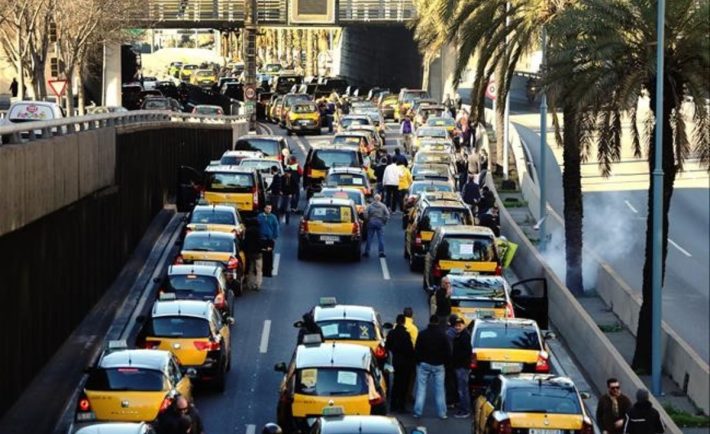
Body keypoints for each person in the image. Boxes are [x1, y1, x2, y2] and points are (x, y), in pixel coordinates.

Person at [413, 315, 452, 419]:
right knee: (440, 390)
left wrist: (419, 361)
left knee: (421, 389)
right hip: (439, 365)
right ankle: (442, 413)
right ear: (438, 322)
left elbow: (417, 349)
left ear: (429, 322)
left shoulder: (422, 334)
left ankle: (418, 412)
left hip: (424, 364)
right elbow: (448, 352)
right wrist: (445, 363)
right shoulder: (443, 335)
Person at [385, 314, 415, 412]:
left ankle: (393, 405)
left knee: (396, 383)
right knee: (404, 384)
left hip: (396, 361)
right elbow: (410, 350)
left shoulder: (391, 333)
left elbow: (387, 346)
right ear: (403, 322)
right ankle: (401, 406)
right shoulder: (406, 334)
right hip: (406, 362)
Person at [451, 316, 472, 418]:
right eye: (456, 326)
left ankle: (465, 410)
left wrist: (458, 360)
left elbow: (466, 352)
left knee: (462, 389)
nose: (457, 327)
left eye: (459, 325)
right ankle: (463, 408)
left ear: (464, 325)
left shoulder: (464, 337)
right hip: (460, 366)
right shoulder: (459, 335)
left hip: (462, 367)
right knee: (461, 389)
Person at [363, 194, 390, 258]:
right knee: (380, 238)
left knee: (369, 237)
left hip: (371, 222)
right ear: (380, 199)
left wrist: (367, 220)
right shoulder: (383, 206)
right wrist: (384, 221)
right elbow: (387, 214)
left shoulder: (370, 206)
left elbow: (365, 213)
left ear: (374, 199)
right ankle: (381, 252)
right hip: (380, 222)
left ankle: (367, 251)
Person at [257, 204, 279, 277]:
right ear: (264, 208)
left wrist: (274, 237)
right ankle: (261, 270)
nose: (268, 210)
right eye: (267, 208)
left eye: (270, 208)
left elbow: (276, 227)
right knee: (261, 255)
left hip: (269, 239)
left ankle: (268, 271)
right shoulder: (260, 216)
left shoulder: (273, 217)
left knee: (269, 255)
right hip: (261, 239)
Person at [244, 223, 264, 291]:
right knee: (259, 270)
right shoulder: (258, 232)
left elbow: (245, 242)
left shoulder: (247, 232)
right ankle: (258, 284)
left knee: (251, 269)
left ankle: (250, 284)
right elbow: (260, 242)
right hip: (258, 254)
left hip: (250, 253)